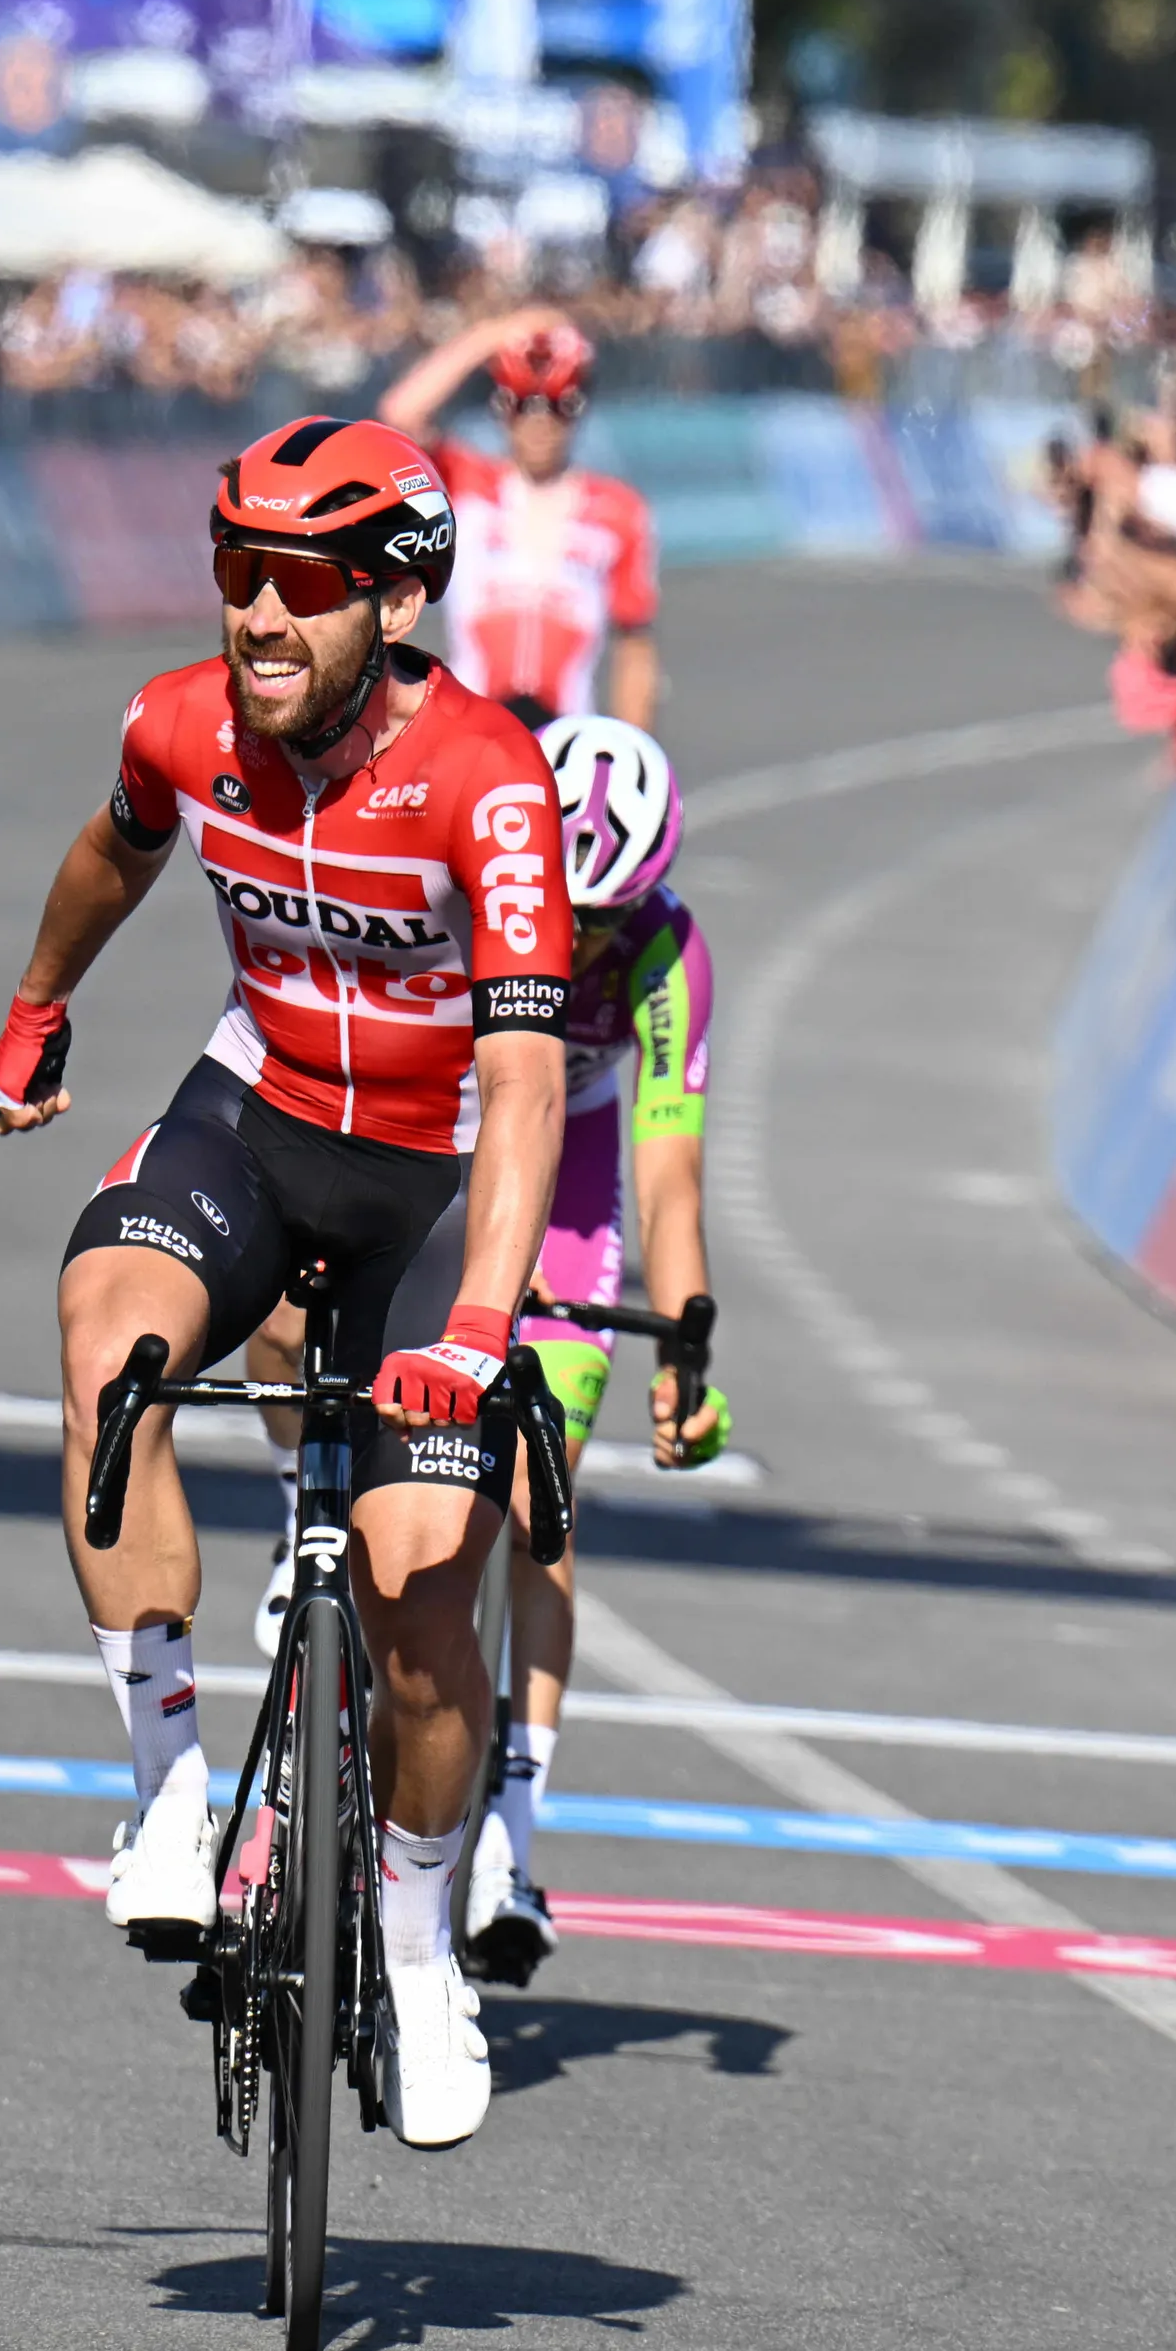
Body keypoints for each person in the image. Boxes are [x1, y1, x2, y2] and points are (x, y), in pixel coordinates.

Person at [0, 415, 571, 2152]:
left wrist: (475, 1328)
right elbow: (117, 847)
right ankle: (164, 1795)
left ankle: (416, 1943)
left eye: (299, 582)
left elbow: (526, 1082)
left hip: (442, 1182)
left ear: (394, 596)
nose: (255, 613)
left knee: (422, 1604)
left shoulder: (487, 783)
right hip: (259, 1118)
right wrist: (36, 1005)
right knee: (107, 1351)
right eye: (234, 571)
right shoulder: (183, 723)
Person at [466, 714, 731, 1981]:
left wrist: (686, 1347)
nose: (582, 940)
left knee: (538, 1501)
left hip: (567, 1165)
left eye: (608, 917)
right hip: (440, 1128)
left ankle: (512, 1827)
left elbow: (667, 1173)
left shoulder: (669, 955)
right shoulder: (471, 866)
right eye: (572, 911)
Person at [378, 309, 663, 730]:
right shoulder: (464, 481)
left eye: (558, 406)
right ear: (501, 409)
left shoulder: (619, 510)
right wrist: (491, 335)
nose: (539, 424)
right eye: (520, 405)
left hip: (565, 730)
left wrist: (628, 749)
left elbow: (634, 648)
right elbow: (399, 415)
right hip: (469, 726)